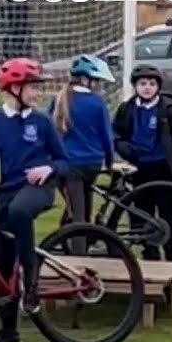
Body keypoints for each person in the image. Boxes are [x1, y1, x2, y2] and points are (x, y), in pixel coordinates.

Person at [0, 58, 67, 342]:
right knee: (1, 260)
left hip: (39, 189)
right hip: (7, 191)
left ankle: (31, 286)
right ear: (14, 88)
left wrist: (49, 169)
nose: (37, 93)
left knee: (20, 212)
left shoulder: (42, 121)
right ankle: (9, 333)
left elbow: (64, 159)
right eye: (32, 87)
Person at [112, 65, 172, 261]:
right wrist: (125, 149)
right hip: (139, 168)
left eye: (151, 84)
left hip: (164, 168)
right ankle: (150, 253)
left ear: (158, 86)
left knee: (168, 214)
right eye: (142, 84)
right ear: (135, 87)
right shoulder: (127, 109)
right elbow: (116, 133)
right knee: (142, 213)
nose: (147, 88)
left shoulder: (169, 110)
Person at [49, 54, 116, 232]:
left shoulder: (59, 100)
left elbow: (48, 133)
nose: (98, 85)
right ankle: (80, 248)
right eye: (97, 81)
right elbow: (106, 136)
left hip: (68, 164)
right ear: (87, 80)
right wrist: (110, 162)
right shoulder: (96, 103)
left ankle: (78, 250)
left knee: (77, 214)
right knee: (83, 210)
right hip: (91, 164)